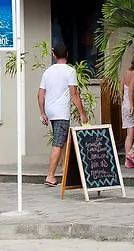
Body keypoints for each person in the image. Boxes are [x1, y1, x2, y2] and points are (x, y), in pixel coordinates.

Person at [38, 43, 89, 187]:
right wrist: (82, 113)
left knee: (64, 141)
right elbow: (74, 93)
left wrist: (42, 113)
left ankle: (66, 172)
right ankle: (50, 176)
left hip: (50, 110)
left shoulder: (47, 72)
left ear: (53, 54)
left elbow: (40, 94)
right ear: (67, 55)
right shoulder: (70, 71)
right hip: (61, 112)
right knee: (58, 142)